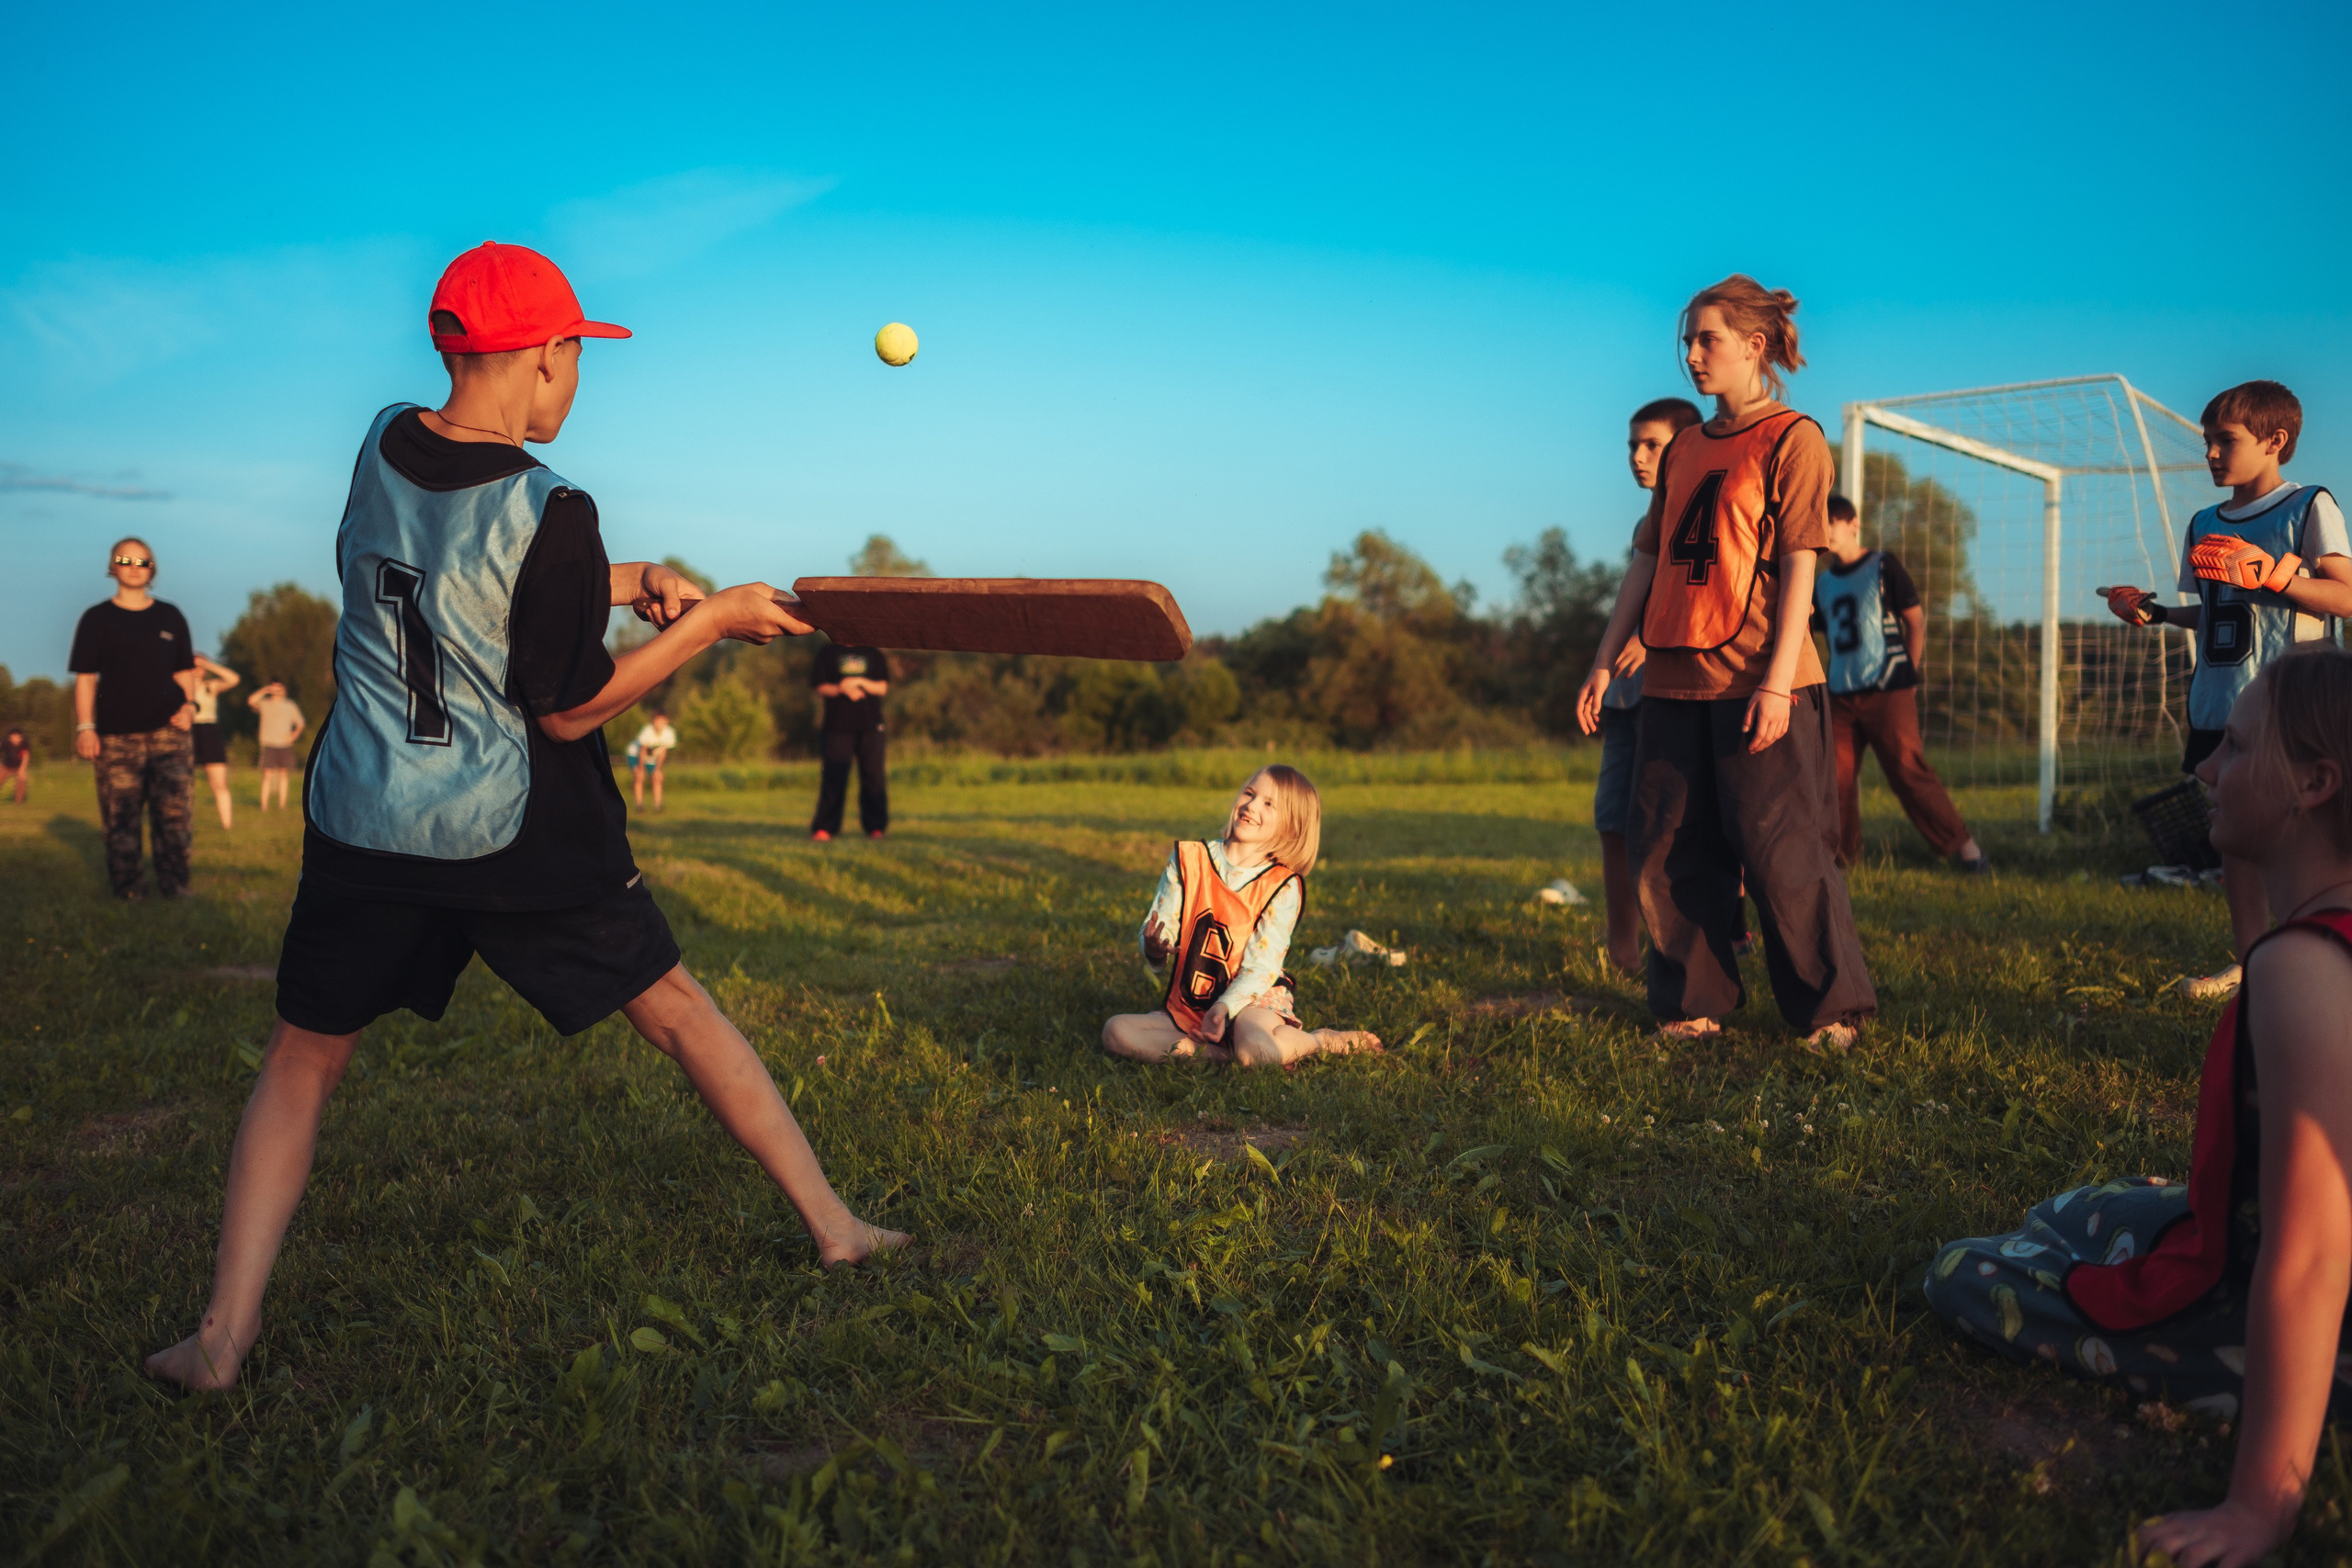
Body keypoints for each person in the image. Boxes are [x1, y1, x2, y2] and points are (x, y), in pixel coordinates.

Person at [146, 241, 904, 1393]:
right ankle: (838, 1228)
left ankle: (220, 1338)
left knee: (302, 1060)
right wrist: (701, 626)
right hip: (510, 830)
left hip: (364, 819)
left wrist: (616, 571)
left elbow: (436, 571)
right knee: (680, 1013)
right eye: (577, 359)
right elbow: (567, 712)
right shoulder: (554, 506)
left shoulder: (382, 443)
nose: (576, 381)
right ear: (547, 355)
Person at [1922, 650, 2352, 1568]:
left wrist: (2256, 1508)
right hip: (2293, 1246)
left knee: (1965, 1271)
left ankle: (2277, 1383)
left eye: (2233, 749)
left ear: (2313, 783)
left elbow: (2313, 1253)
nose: (2203, 771)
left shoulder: (2304, 969)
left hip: (2325, 1306)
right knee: (2091, 1207)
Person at [1573, 276, 1875, 1049]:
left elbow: (1801, 563)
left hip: (1759, 681)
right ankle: (1692, 1002)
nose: (1693, 354)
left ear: (1754, 344)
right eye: (1688, 341)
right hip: (1671, 680)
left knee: (1781, 851)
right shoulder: (1682, 450)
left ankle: (1829, 1010)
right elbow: (1646, 563)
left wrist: (1777, 683)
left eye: (1707, 339)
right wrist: (1606, 662)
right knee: (1667, 848)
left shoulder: (1793, 437)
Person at [2100, 380, 2351, 1002]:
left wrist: (2275, 576)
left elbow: (2345, 595)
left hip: (2290, 708)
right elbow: (2217, 613)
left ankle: (2321, 953)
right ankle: (2252, 964)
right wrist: (2154, 613)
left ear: (2275, 441)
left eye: (2225, 441)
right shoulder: (2203, 523)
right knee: (2235, 833)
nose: (2211, 452)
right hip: (2219, 705)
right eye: (2207, 441)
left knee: (2312, 836)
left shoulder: (2308, 506)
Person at [1102, 764, 1382, 1067]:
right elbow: (1161, 925)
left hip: (1253, 998)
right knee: (1116, 1031)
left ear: (1292, 827)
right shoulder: (1188, 858)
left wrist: (1225, 1007)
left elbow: (1262, 967)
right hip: (1195, 1000)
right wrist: (1155, 946)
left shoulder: (1282, 885)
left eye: (1269, 804)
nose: (1251, 805)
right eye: (1249, 793)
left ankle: (1319, 1040)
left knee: (1256, 1053)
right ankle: (1221, 1056)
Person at [1586, 396, 1702, 974]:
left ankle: (1722, 933)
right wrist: (1603, 668)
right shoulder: (1646, 523)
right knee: (1613, 821)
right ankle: (1622, 948)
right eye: (1632, 445)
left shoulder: (1710, 510)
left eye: (1651, 444)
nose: (1637, 456)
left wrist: (1654, 642)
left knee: (1683, 827)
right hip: (1630, 698)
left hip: (1684, 696)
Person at [1811, 493, 1987, 873]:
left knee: (1908, 769)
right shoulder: (1821, 584)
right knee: (1834, 778)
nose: (1823, 531)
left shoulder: (1882, 565)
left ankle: (1965, 848)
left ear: (1852, 523)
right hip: (1841, 693)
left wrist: (1907, 674)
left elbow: (1916, 622)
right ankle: (1840, 861)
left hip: (1888, 687)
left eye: (1830, 522)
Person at [68, 536, 198, 899]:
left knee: (174, 819)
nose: (134, 567)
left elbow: (186, 672)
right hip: (115, 738)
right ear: (112, 567)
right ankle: (130, 893)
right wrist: (85, 727)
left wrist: (190, 707)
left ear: (152, 568)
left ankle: (176, 889)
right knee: (120, 820)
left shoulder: (171, 616)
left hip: (170, 735)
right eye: (125, 560)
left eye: (142, 562)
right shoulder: (96, 619)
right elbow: (85, 679)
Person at [809, 641, 889, 841]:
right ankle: (825, 828)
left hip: (871, 726)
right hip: (837, 726)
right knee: (833, 777)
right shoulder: (828, 652)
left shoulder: (873, 652)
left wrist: (860, 682)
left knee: (873, 776)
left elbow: (882, 687)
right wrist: (841, 689)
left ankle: (876, 827)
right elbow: (819, 685)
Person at [189, 653, 242, 829]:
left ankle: (227, 825)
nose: (197, 670)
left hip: (209, 733)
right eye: (193, 665)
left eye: (200, 667)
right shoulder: (180, 688)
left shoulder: (210, 686)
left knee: (219, 783)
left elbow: (233, 679)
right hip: (187, 732)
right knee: (183, 784)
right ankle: (182, 824)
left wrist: (209, 665)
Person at [248, 681, 306, 809]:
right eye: (274, 689)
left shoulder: (290, 705)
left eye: (279, 689)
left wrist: (294, 735)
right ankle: (264, 806)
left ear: (284, 690)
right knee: (267, 776)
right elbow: (251, 700)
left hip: (285, 744)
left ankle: (282, 805)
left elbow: (300, 723)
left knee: (284, 775)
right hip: (268, 743)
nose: (277, 691)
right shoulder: (264, 703)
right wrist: (265, 690)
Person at [630, 709, 677, 809]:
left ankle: (657, 806)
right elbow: (642, 751)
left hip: (652, 757)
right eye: (657, 721)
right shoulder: (647, 730)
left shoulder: (669, 733)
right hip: (635, 755)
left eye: (662, 721)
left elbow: (663, 753)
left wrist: (657, 770)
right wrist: (641, 769)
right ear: (653, 721)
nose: (659, 724)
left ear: (666, 721)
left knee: (657, 778)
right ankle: (639, 805)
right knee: (639, 777)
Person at [1, 727, 29, 805]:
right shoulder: (5, 742)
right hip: (6, 765)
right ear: (10, 737)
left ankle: (18, 802)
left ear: (21, 737)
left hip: (19, 766)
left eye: (17, 737)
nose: (15, 739)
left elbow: (25, 757)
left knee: (22, 778)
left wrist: (22, 769)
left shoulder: (25, 743)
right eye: (13, 737)